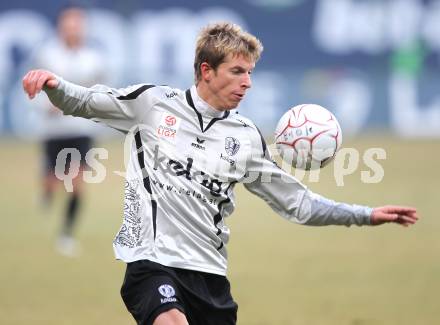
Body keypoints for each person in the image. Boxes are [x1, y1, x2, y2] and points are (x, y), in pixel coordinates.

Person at [22, 22, 418, 325]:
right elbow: (88, 102)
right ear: (206, 71)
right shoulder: (152, 104)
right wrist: (53, 85)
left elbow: (298, 204)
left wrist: (364, 215)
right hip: (151, 263)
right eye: (237, 71)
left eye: (250, 73)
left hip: (210, 277)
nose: (247, 83)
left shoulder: (245, 138)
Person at [30, 6, 106, 256]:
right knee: (52, 181)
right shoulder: (47, 55)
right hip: (53, 130)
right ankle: (46, 192)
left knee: (76, 183)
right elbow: (34, 87)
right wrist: (46, 106)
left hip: (79, 128)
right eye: (68, 25)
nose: (73, 30)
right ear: (61, 28)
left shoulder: (93, 58)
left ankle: (66, 235)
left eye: (77, 25)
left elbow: (100, 91)